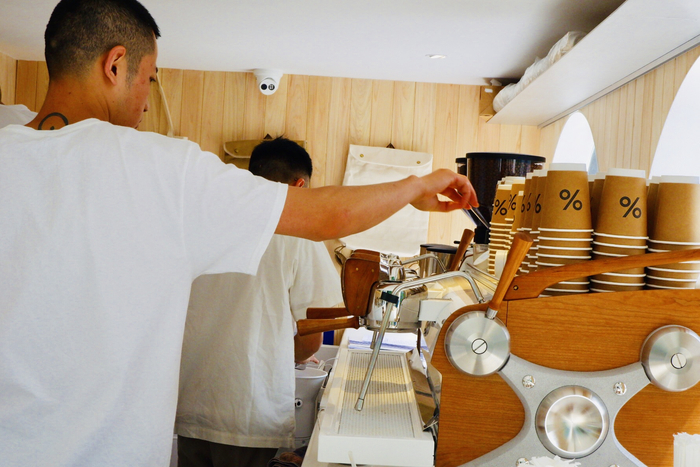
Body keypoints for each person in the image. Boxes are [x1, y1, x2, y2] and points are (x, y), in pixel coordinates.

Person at [0, 1, 478, 466]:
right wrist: (417, 185)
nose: (146, 100)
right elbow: (327, 217)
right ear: (115, 65)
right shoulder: (160, 169)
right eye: (149, 78)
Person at [176, 137, 344, 467]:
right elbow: (313, 332)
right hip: (249, 411)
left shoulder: (202, 221)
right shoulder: (298, 232)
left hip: (192, 405)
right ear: (299, 186)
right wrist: (288, 353)